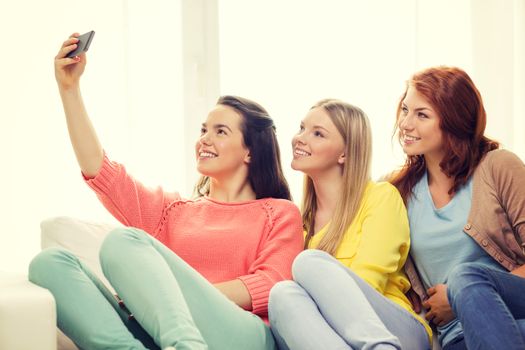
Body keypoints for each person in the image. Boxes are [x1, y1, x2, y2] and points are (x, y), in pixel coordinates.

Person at [28, 33, 303, 350]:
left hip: (242, 336)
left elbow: (272, 284)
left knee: (122, 242)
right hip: (160, 332)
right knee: (48, 264)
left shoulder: (278, 212)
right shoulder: (173, 210)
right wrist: (69, 89)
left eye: (220, 131)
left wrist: (163, 295)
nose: (204, 140)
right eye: (203, 130)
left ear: (250, 152)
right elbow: (101, 171)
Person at [268, 99, 431, 350]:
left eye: (318, 133)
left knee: (308, 262)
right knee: (282, 295)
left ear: (344, 153)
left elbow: (368, 282)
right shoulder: (299, 223)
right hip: (336, 336)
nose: (299, 138)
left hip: (396, 328)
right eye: (302, 128)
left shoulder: (380, 197)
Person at [389, 66, 525, 350]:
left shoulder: (497, 166)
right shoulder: (397, 192)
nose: (405, 123)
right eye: (405, 110)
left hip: (517, 315)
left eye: (421, 114)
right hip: (459, 338)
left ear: (453, 122)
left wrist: (457, 295)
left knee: (464, 276)